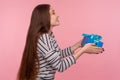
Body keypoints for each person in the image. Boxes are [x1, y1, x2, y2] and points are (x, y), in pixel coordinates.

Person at [17, 4, 104, 80]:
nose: (58, 15)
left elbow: (58, 55)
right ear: (44, 17)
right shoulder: (44, 38)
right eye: (53, 13)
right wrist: (83, 50)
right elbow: (60, 66)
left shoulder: (49, 35)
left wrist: (79, 44)